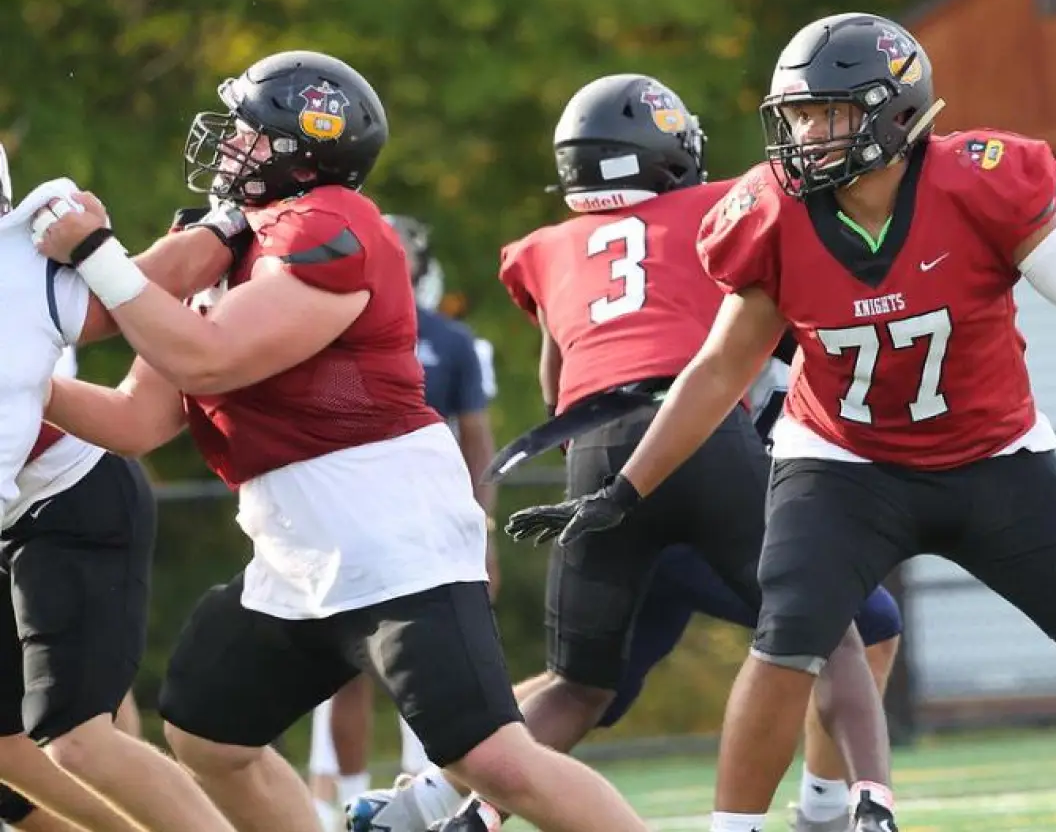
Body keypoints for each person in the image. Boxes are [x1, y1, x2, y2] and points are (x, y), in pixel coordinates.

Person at [506, 13, 1056, 832]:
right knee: (789, 638)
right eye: (798, 116)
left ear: (893, 112)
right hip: (844, 464)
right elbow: (719, 368)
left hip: (994, 455)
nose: (806, 136)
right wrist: (626, 489)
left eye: (828, 114)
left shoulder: (978, 180)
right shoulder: (770, 213)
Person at [30, 49, 649, 832]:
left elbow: (204, 358)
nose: (230, 147)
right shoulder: (231, 242)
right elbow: (136, 421)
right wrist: (28, 385)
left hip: (390, 535)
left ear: (301, 146)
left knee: (489, 758)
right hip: (297, 549)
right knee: (207, 728)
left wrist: (95, 252)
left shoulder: (333, 224)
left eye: (249, 132)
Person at [355, 73, 897, 832]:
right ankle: (865, 805)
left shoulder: (544, 249)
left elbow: (557, 387)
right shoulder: (722, 209)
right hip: (701, 444)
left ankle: (464, 816)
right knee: (834, 627)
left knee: (581, 686)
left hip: (595, 457)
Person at [0, 144, 248, 832]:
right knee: (13, 754)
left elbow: (137, 285)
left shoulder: (15, 275)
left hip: (71, 499)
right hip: (22, 511)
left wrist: (223, 227)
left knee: (76, 736)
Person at [305, 214, 501, 831]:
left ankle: (422, 797)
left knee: (427, 664)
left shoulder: (447, 339)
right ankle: (350, 802)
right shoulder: (320, 330)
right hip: (349, 508)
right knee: (345, 666)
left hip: (424, 514)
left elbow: (476, 442)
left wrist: (482, 530)